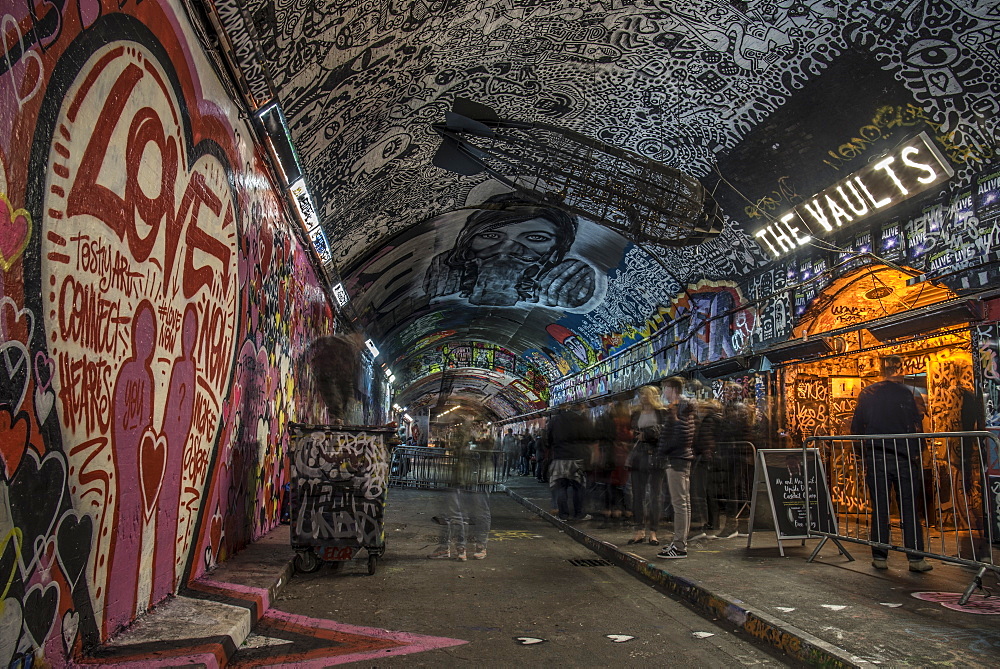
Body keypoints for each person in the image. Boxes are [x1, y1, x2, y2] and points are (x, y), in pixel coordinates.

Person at [423, 193, 597, 308]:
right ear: (467, 243)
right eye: (491, 235)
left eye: (536, 238)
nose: (507, 249)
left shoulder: (567, 278)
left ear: (558, 253)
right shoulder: (448, 270)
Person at [851, 355, 933, 572]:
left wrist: (863, 455)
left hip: (877, 456)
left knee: (880, 508)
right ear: (900, 368)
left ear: (880, 369)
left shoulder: (868, 393)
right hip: (904, 456)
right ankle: (916, 558)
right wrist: (919, 452)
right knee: (909, 507)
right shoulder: (908, 393)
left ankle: (880, 556)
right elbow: (917, 425)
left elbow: (857, 427)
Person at [656, 377, 697, 559]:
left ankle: (680, 546)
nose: (663, 393)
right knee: (682, 503)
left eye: (664, 388)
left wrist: (662, 450)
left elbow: (680, 436)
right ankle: (678, 542)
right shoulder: (681, 408)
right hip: (679, 458)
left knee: (680, 503)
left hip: (677, 459)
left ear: (671, 388)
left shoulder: (680, 409)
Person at [627, 386, 668, 546]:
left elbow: (665, 432)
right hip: (638, 456)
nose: (643, 397)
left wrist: (649, 434)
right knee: (638, 495)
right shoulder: (636, 413)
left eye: (646, 394)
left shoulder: (661, 413)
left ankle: (653, 532)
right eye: (641, 394)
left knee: (655, 496)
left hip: (656, 455)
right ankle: (639, 530)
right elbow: (632, 433)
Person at [547, 403, 593, 521]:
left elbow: (548, 438)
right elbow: (589, 437)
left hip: (559, 457)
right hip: (577, 457)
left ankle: (563, 515)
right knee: (578, 487)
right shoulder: (582, 420)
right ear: (581, 409)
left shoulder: (555, 420)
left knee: (561, 487)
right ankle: (579, 514)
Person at [689, 397, 722, 540]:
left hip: (706, 459)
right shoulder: (715, 419)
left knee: (703, 491)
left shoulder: (709, 420)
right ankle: (711, 522)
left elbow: (706, 439)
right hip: (709, 458)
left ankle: (705, 522)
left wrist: (704, 453)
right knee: (709, 492)